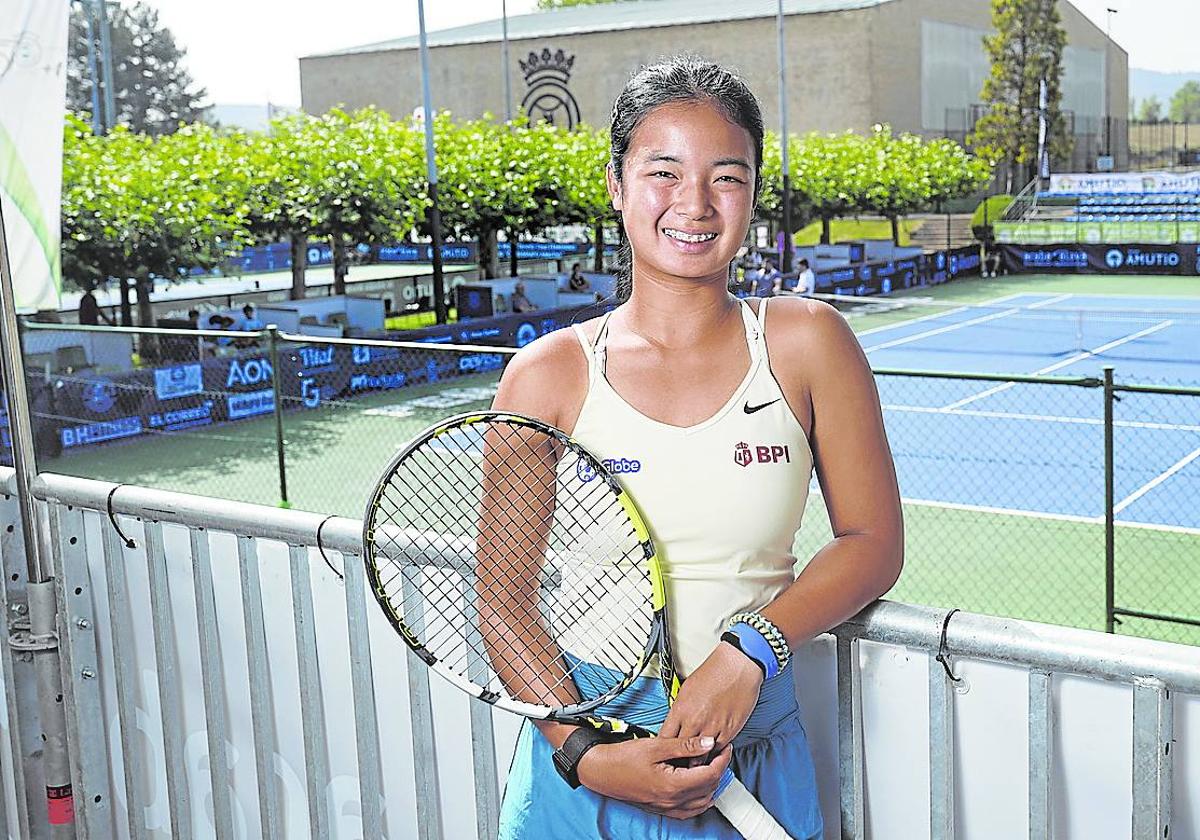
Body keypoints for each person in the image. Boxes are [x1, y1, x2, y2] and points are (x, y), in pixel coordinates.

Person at [492, 56, 902, 839]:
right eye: (664, 172)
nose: (695, 204)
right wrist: (582, 753)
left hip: (750, 751)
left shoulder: (809, 342)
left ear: (753, 193)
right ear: (616, 186)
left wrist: (749, 651)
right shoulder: (543, 376)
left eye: (727, 176)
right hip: (586, 767)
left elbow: (873, 543)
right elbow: (503, 605)